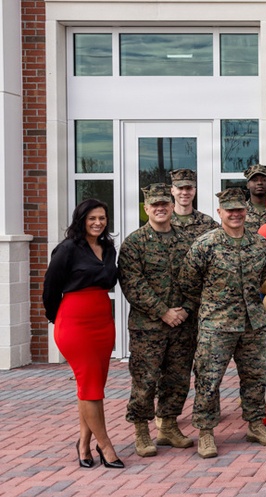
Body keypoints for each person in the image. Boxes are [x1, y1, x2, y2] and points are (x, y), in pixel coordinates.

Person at [178, 188, 266, 458]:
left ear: (246, 211)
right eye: (229, 210)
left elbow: (261, 277)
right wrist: (213, 305)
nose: (235, 214)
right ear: (219, 212)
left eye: (239, 209)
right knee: (209, 379)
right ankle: (206, 432)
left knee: (256, 377)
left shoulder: (260, 245)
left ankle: (256, 424)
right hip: (217, 323)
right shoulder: (205, 244)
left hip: (253, 323)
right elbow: (188, 282)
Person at [118, 184, 197, 457]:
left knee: (177, 378)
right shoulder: (134, 243)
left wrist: (186, 308)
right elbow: (132, 284)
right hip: (147, 327)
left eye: (165, 204)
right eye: (154, 205)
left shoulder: (187, 241)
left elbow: (195, 280)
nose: (160, 208)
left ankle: (169, 426)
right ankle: (141, 430)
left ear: (172, 206)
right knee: (145, 380)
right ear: (146, 208)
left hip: (182, 324)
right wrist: (163, 311)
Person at [43, 198, 123, 469]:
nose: (98, 223)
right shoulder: (67, 249)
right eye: (92, 218)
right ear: (81, 220)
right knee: (91, 387)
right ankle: (106, 445)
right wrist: (57, 319)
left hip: (102, 321)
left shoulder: (108, 247)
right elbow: (50, 288)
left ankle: (83, 445)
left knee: (91, 387)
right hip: (75, 322)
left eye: (102, 218)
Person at [170, 168, 219, 238]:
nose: (184, 193)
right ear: (172, 191)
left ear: (194, 191)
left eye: (188, 188)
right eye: (180, 188)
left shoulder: (208, 223)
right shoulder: (163, 221)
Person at [243, 164, 266, 233]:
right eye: (255, 180)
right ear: (248, 185)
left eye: (264, 180)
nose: (259, 183)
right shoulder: (241, 211)